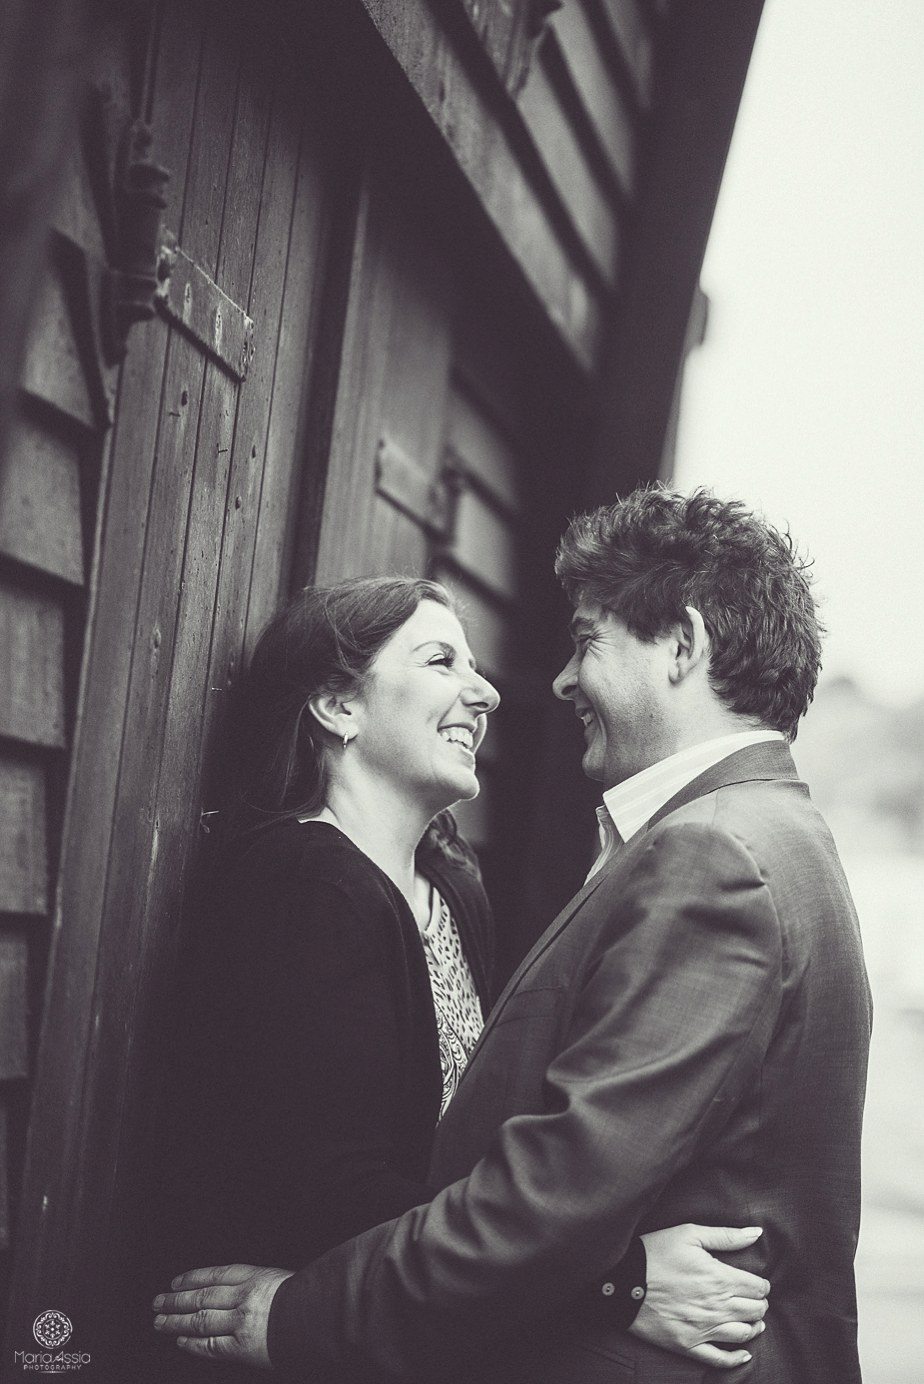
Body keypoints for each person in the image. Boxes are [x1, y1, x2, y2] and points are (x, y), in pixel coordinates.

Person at [154, 534, 828, 1379]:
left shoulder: (452, 886)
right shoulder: (303, 882)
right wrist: (616, 1284)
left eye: (475, 665)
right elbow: (324, 1184)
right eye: (441, 661)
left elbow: (503, 1155)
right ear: (337, 704)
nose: (487, 691)